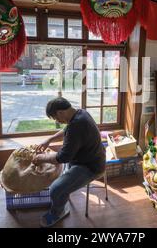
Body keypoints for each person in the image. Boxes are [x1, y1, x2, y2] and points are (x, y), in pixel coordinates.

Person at [32, 97, 106, 228]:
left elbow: (62, 157)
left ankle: (58, 212)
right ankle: (62, 198)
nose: (58, 121)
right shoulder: (81, 113)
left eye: (56, 118)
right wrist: (50, 139)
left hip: (91, 167)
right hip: (87, 157)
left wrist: (42, 158)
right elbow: (67, 129)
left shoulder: (76, 125)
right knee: (60, 179)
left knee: (55, 189)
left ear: (60, 112)